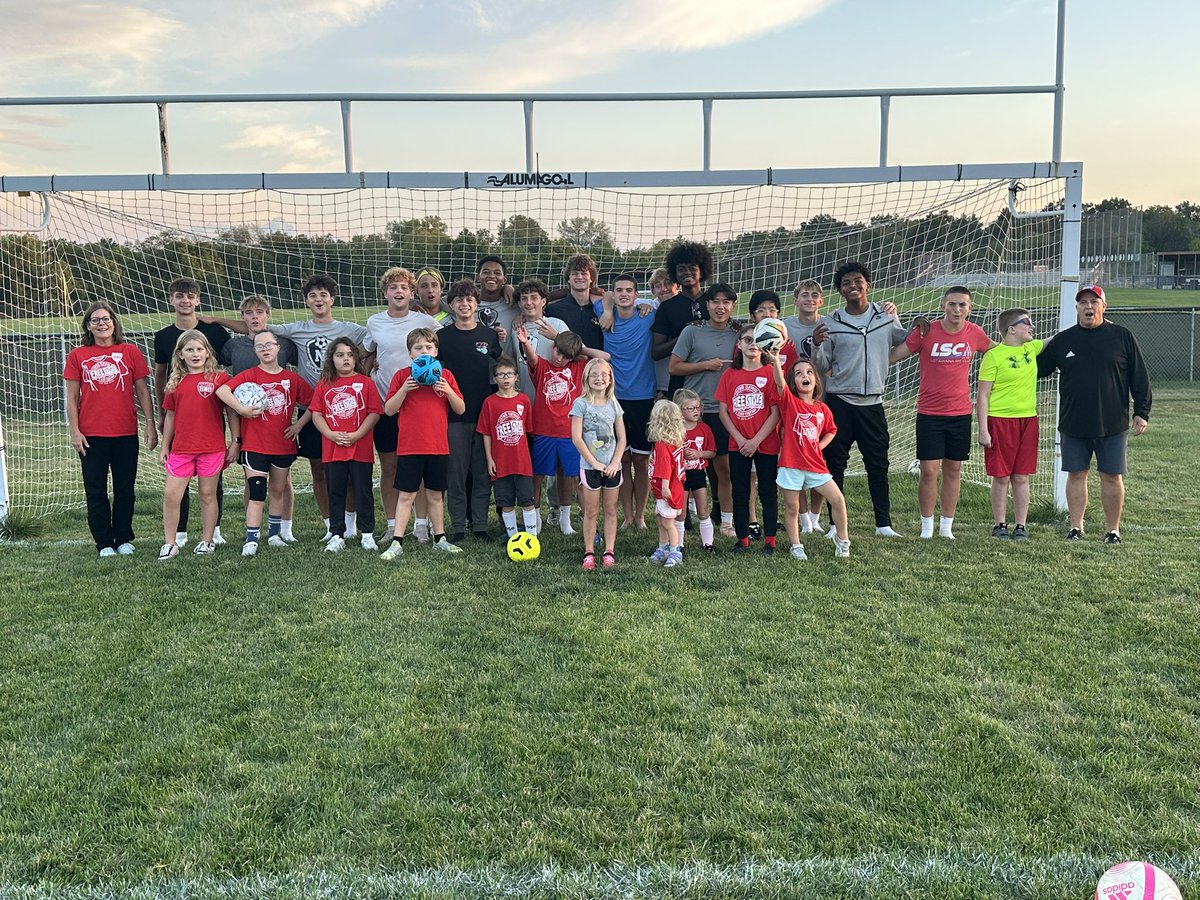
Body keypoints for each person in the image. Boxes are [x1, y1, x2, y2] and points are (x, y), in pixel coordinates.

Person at [206, 273, 370, 541]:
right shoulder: (295, 329)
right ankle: (330, 526)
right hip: (306, 410)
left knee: (347, 471)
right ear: (306, 301)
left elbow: (376, 340)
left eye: (323, 295)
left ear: (333, 299)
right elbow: (256, 328)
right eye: (313, 295)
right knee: (316, 469)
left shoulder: (352, 330)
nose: (318, 299)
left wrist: (366, 368)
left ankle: (349, 525)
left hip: (343, 408)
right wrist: (216, 320)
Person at [1037, 285, 1152, 543]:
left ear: (1104, 306)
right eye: (1083, 303)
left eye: (1094, 302)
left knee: (1111, 476)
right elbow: (1038, 369)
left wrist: (1141, 411)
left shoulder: (1122, 337)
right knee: (1076, 474)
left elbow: (1140, 376)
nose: (1089, 307)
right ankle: (1076, 527)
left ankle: (1113, 530)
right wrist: (1017, 349)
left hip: (1112, 423)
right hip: (1073, 422)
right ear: (1076, 308)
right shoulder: (1064, 340)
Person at [889, 286, 993, 539]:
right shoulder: (926, 331)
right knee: (928, 471)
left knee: (953, 470)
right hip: (929, 414)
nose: (957, 310)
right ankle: (927, 527)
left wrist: (1028, 348)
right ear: (942, 306)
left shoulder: (975, 333)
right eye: (952, 304)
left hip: (959, 413)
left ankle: (946, 528)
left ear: (970, 308)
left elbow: (999, 353)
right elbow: (894, 356)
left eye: (962, 305)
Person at [811, 261, 907, 537]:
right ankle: (833, 525)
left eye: (857, 281)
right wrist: (816, 345)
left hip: (873, 403)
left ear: (868, 283)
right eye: (846, 283)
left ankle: (883, 524)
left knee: (878, 463)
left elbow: (907, 340)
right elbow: (820, 365)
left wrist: (920, 328)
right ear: (840, 290)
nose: (852, 286)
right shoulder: (831, 322)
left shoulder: (885, 316)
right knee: (835, 464)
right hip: (840, 402)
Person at [63, 301, 157, 557]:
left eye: (105, 319)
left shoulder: (130, 351)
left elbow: (142, 390)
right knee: (96, 491)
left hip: (125, 433)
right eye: (95, 320)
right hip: (91, 435)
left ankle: (124, 537)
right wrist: (75, 430)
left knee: (125, 489)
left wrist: (150, 424)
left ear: (114, 322)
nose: (101, 324)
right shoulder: (77, 355)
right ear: (88, 326)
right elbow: (71, 397)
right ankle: (104, 542)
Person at [217, 329, 313, 557]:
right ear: (255, 351)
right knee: (257, 490)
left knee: (278, 490)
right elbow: (222, 390)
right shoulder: (250, 375)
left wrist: (298, 426)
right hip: (254, 444)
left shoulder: (291, 379)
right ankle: (251, 538)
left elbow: (313, 403)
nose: (265, 349)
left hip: (282, 444)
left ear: (278, 347)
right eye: (260, 346)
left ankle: (273, 534)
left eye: (269, 345)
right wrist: (241, 409)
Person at [153, 277, 231, 548]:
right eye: (179, 296)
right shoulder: (163, 338)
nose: (185, 300)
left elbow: (253, 333)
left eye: (190, 296)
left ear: (198, 300)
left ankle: (212, 535)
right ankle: (176, 536)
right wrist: (161, 419)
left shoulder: (216, 337)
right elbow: (160, 377)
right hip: (182, 434)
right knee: (174, 491)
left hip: (211, 436)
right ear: (171, 300)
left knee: (210, 489)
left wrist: (219, 320)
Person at [365, 266, 439, 538]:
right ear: (385, 292)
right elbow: (368, 352)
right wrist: (370, 368)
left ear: (411, 293)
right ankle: (391, 525)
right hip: (387, 404)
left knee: (415, 468)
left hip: (417, 407)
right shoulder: (375, 322)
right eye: (393, 287)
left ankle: (421, 525)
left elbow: (444, 345)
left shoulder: (425, 322)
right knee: (390, 467)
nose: (399, 291)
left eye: (404, 287)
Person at [379, 328, 466, 559]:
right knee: (406, 495)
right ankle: (397, 541)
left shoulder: (445, 376)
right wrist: (404, 390)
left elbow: (460, 408)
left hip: (437, 446)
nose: (424, 351)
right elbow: (389, 410)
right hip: (410, 446)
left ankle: (440, 538)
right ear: (410, 353)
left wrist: (447, 391)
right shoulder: (401, 377)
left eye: (428, 347)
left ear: (436, 351)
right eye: (418, 348)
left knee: (435, 495)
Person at [519, 328, 609, 535]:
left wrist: (580, 350)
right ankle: (535, 521)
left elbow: (605, 357)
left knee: (569, 476)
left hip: (570, 433)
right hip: (543, 431)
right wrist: (525, 342)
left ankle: (565, 520)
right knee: (538, 476)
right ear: (553, 348)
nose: (559, 359)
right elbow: (532, 359)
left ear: (573, 357)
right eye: (558, 352)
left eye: (566, 356)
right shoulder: (543, 366)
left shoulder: (578, 367)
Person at [157, 331, 238, 560]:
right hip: (181, 449)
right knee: (172, 495)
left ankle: (207, 540)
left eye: (200, 349)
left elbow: (232, 411)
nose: (195, 354)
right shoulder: (175, 381)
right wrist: (165, 447)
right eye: (190, 350)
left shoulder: (219, 379)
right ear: (180, 354)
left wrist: (235, 441)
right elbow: (170, 415)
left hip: (211, 448)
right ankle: (170, 543)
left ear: (207, 352)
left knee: (207, 494)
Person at [668, 283, 738, 538]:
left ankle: (727, 521)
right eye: (715, 302)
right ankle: (682, 516)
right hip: (694, 410)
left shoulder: (738, 333)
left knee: (723, 469)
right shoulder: (692, 332)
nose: (721, 307)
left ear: (732, 306)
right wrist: (704, 365)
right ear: (707, 305)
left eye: (726, 302)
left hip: (724, 411)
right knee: (686, 464)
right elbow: (674, 368)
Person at [437, 278, 503, 542]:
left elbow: (501, 366)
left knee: (482, 474)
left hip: (483, 414)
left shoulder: (488, 335)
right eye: (459, 300)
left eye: (469, 300)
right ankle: (458, 528)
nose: (464, 304)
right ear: (451, 305)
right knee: (456, 473)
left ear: (477, 304)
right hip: (453, 416)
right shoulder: (442, 337)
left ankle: (480, 526)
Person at [768, 353, 851, 559]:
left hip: (816, 465)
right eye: (798, 373)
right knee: (792, 507)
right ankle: (796, 546)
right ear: (793, 383)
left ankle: (842, 540)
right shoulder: (790, 402)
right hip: (791, 465)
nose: (804, 376)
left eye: (809, 372)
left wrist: (819, 446)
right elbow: (779, 383)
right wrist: (776, 360)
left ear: (816, 379)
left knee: (838, 499)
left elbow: (831, 429)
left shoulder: (822, 408)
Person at [594, 273, 656, 530]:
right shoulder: (603, 310)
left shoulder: (648, 312)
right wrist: (607, 310)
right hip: (613, 397)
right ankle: (627, 516)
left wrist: (645, 302)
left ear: (636, 294)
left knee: (641, 461)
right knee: (621, 460)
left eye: (629, 290)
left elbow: (663, 298)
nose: (623, 294)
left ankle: (640, 516)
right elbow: (596, 292)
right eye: (619, 290)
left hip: (643, 396)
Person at [311, 338, 383, 553]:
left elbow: (374, 412)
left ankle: (367, 534)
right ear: (331, 359)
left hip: (360, 448)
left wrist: (358, 434)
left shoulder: (366, 382)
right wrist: (331, 434)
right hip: (333, 450)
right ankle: (336, 534)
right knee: (336, 491)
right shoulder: (324, 384)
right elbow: (317, 413)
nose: (345, 359)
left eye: (350, 355)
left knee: (363, 491)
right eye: (340, 355)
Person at [977, 309, 1043, 541]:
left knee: (1021, 476)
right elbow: (983, 395)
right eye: (1027, 323)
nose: (1031, 327)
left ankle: (1021, 526)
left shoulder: (1031, 348)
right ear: (1011, 329)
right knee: (1002, 476)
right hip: (1000, 421)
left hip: (1028, 420)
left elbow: (1059, 338)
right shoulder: (994, 356)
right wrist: (983, 429)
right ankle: (1000, 524)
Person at [717, 323, 782, 554]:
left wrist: (755, 440)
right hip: (738, 444)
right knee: (740, 492)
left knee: (767, 491)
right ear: (739, 345)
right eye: (747, 340)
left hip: (765, 443)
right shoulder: (730, 375)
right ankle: (743, 539)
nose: (752, 344)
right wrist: (741, 439)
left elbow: (776, 412)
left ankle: (770, 541)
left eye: (756, 340)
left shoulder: (769, 372)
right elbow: (723, 411)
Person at [570, 358, 627, 570]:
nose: (599, 379)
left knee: (610, 509)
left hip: (612, 467)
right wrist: (593, 462)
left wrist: (615, 462)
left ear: (610, 378)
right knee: (591, 511)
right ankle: (589, 552)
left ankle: (609, 551)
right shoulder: (580, 404)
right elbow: (577, 438)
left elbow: (621, 438)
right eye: (594, 374)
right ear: (586, 377)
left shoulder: (614, 403)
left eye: (604, 374)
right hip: (590, 466)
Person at [781, 278, 827, 533]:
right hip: (791, 405)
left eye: (814, 295)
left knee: (820, 461)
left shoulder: (829, 325)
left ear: (820, 301)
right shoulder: (783, 327)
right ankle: (803, 518)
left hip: (819, 403)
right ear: (795, 300)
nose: (809, 299)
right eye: (804, 295)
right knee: (795, 461)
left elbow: (833, 361)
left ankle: (816, 517)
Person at [477, 354, 538, 538]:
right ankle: (514, 537)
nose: (505, 378)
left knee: (527, 500)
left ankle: (532, 536)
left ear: (516, 377)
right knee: (505, 501)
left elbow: (528, 432)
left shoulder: (524, 400)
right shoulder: (490, 402)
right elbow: (486, 432)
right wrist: (489, 459)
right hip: (501, 461)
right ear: (494, 378)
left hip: (521, 462)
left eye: (509, 374)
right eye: (501, 375)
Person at [653, 241, 712, 398]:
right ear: (675, 273)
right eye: (681, 269)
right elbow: (656, 352)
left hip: (711, 379)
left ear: (701, 270)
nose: (687, 273)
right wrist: (684, 335)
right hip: (681, 384)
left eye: (692, 268)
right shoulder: (667, 308)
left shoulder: (714, 301)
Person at [501, 278, 568, 402]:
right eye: (524, 298)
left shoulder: (557, 324)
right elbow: (513, 360)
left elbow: (579, 354)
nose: (529, 302)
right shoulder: (516, 327)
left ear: (543, 301)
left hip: (553, 398)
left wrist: (557, 337)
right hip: (527, 398)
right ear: (519, 304)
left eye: (534, 298)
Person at [646, 398, 688, 568]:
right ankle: (663, 548)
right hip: (674, 487)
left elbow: (664, 468)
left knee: (668, 523)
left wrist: (664, 487)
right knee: (661, 521)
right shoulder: (675, 442)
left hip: (668, 489)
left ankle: (675, 551)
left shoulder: (662, 445)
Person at [674, 388, 716, 552]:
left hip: (698, 473)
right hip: (680, 475)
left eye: (697, 407)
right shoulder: (675, 430)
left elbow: (712, 452)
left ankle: (708, 544)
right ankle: (679, 545)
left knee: (703, 510)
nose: (695, 411)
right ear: (679, 410)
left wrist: (698, 453)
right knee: (681, 513)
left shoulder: (704, 429)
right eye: (690, 408)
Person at [546, 254, 606, 352]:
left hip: (597, 364)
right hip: (566, 365)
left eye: (584, 273)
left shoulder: (603, 308)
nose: (579, 277)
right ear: (568, 279)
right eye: (575, 273)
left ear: (591, 278)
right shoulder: (553, 310)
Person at [648, 267, 680, 396]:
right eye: (658, 285)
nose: (664, 288)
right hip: (657, 378)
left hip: (683, 377)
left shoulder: (687, 307)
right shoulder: (648, 307)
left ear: (677, 286)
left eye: (668, 283)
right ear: (652, 290)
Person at [476, 256, 519, 334]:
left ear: (504, 280)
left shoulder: (514, 304)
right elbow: (447, 301)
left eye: (497, 273)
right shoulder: (465, 305)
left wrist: (523, 315)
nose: (492, 276)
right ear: (478, 277)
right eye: (486, 272)